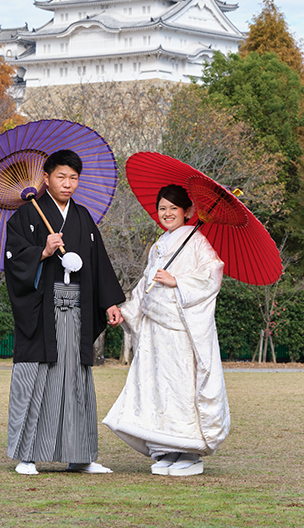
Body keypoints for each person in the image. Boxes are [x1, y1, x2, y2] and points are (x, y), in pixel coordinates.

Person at [4, 148, 124, 475]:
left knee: (75, 381)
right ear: (46, 178)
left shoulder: (83, 217)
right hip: (43, 312)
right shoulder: (26, 216)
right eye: (61, 177)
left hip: (77, 313)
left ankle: (80, 456)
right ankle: (27, 456)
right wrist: (42, 252)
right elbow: (13, 262)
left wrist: (110, 302)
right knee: (36, 379)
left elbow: (98, 264)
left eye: (73, 178)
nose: (68, 184)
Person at [103, 184, 230, 477]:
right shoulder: (159, 245)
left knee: (182, 387)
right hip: (155, 332)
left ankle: (189, 452)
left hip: (181, 331)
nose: (167, 213)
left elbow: (212, 274)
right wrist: (126, 311)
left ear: (187, 212)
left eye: (174, 208)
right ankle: (167, 449)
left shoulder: (197, 242)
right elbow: (145, 285)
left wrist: (177, 281)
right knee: (159, 389)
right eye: (162, 208)